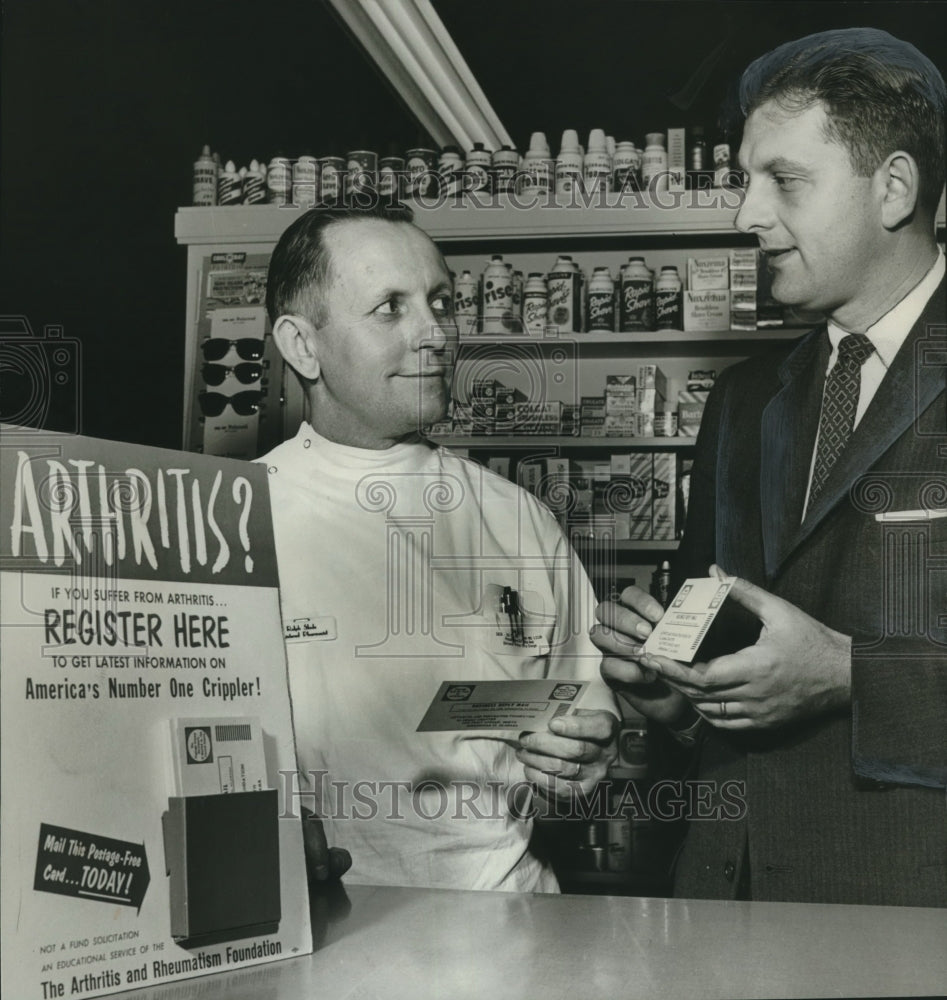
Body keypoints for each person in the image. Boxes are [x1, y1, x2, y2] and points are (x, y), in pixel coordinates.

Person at [592, 27, 946, 906]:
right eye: (747, 180)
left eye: (783, 181)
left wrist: (847, 673)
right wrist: (669, 691)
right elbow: (719, 646)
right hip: (724, 897)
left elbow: (825, 661)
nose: (746, 214)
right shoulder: (745, 401)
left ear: (892, 189)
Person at [261, 203, 618, 892]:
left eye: (440, 301)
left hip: (510, 924)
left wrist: (581, 754)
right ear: (302, 345)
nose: (435, 334)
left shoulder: (515, 517)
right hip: (317, 932)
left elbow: (584, 701)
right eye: (389, 308)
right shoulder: (235, 518)